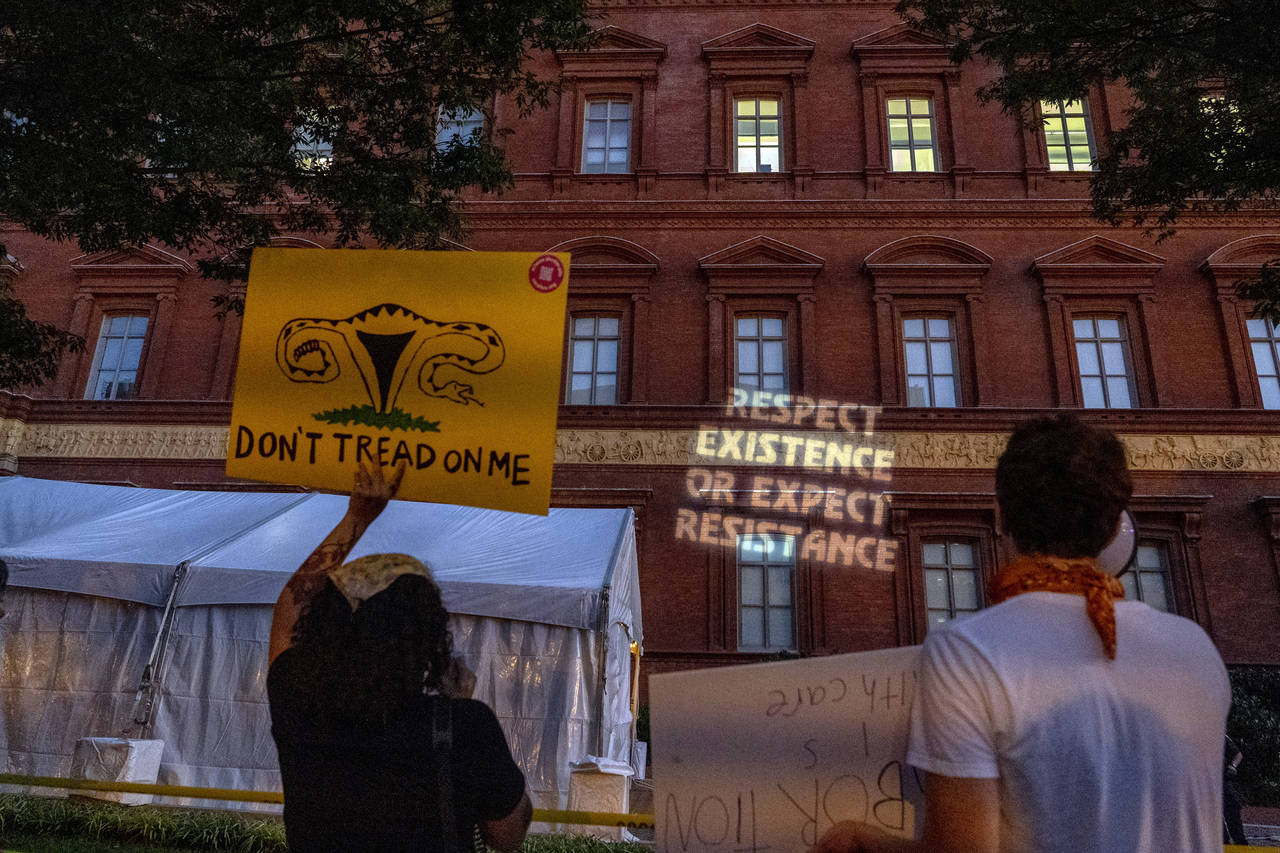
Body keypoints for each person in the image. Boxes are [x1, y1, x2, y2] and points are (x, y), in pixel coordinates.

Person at [815, 414, 1230, 853]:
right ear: (1114, 526)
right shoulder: (1196, 647)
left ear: (1004, 516)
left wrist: (863, 842)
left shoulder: (968, 651)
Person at [267, 461, 532, 853]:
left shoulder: (297, 699)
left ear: (328, 623)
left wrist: (357, 517)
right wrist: (458, 707)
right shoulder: (464, 726)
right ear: (425, 635)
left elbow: (290, 608)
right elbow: (507, 836)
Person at [1225, 735, 1248, 845]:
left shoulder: (1219, 735)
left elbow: (1238, 754)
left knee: (1233, 815)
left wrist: (1233, 766)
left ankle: (1241, 846)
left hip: (1223, 782)